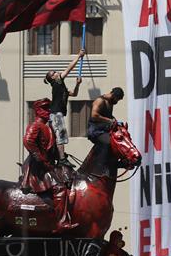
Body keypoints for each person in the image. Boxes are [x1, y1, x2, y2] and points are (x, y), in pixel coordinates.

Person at [19, 98, 77, 232]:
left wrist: (61, 157)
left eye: (48, 108)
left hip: (49, 164)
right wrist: (40, 157)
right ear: (38, 111)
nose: (48, 111)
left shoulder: (49, 126)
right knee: (60, 188)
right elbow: (28, 141)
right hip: (37, 167)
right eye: (45, 109)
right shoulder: (35, 125)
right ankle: (60, 222)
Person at [45, 49, 85, 167]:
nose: (57, 73)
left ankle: (61, 157)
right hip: (56, 114)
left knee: (61, 136)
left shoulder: (61, 87)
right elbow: (69, 69)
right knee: (61, 136)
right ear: (52, 78)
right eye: (54, 73)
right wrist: (79, 56)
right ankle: (62, 159)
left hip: (58, 114)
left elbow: (74, 94)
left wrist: (78, 84)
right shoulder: (57, 83)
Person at [87, 87, 125, 163]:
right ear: (113, 95)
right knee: (109, 142)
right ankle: (102, 163)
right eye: (117, 99)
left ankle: (117, 161)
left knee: (120, 139)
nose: (117, 102)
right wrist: (110, 120)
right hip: (95, 131)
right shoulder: (100, 101)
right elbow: (94, 115)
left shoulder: (110, 102)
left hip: (105, 131)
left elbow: (108, 116)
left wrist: (116, 122)